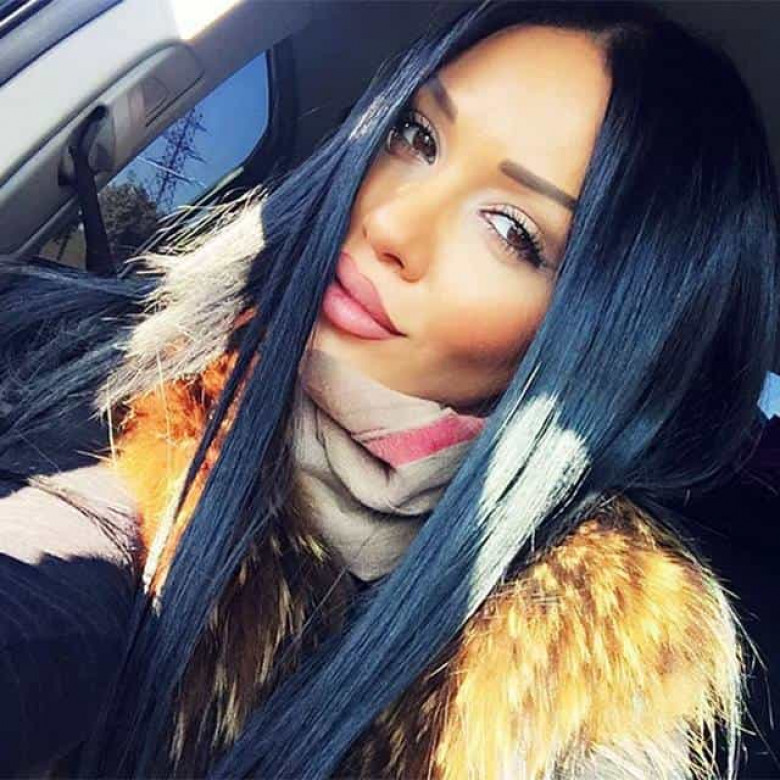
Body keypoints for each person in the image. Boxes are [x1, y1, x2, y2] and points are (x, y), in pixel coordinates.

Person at [0, 0, 777, 776]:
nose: (392, 224)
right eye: (417, 136)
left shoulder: (576, 687)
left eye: (511, 230)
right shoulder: (115, 401)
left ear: (602, 344)